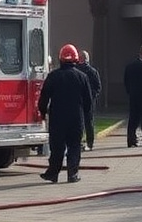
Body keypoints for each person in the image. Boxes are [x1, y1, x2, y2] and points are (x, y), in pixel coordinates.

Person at [37, 44, 93, 183]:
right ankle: (72, 174)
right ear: (75, 59)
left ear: (60, 59)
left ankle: (53, 174)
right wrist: (86, 114)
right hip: (76, 118)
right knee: (74, 146)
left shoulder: (53, 76)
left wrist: (42, 112)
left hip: (57, 119)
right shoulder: (82, 77)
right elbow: (88, 100)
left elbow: (44, 97)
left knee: (57, 147)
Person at [75, 50, 102, 151]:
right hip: (89, 101)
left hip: (78, 100)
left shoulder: (75, 71)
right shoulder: (93, 71)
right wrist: (92, 96)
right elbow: (98, 87)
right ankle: (90, 143)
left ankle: (78, 142)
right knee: (89, 122)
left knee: (79, 122)